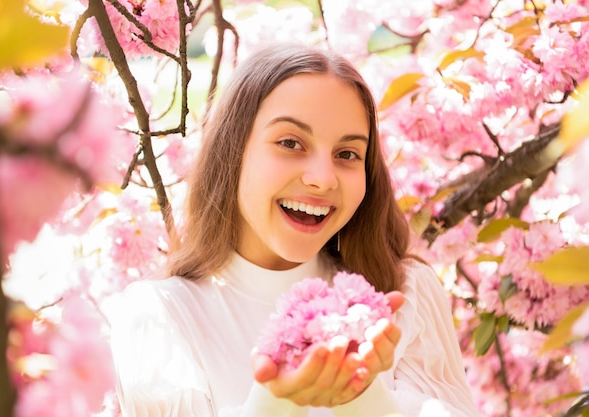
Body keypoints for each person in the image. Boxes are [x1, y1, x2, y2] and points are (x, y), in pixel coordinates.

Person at [110, 43, 482, 417]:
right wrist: (276, 400)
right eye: (290, 143)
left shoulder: (405, 295)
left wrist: (362, 397)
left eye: (348, 154)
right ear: (233, 151)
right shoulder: (158, 316)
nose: (322, 179)